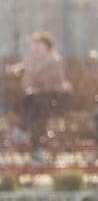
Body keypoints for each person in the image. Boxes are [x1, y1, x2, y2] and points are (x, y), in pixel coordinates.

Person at [5, 30, 73, 163]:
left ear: (46, 45)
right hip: (37, 99)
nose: (35, 47)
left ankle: (24, 131)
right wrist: (14, 70)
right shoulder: (33, 60)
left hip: (53, 98)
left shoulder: (54, 60)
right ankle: (34, 145)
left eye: (38, 44)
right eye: (34, 44)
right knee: (35, 115)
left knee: (35, 108)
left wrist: (37, 83)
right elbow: (23, 67)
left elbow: (56, 80)